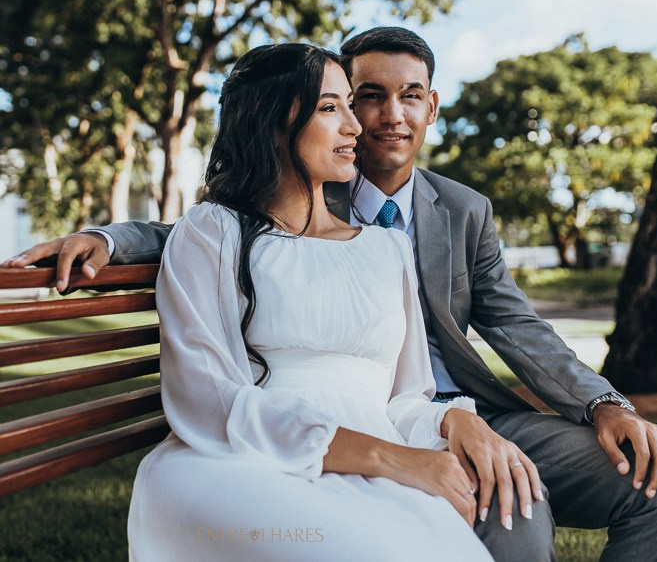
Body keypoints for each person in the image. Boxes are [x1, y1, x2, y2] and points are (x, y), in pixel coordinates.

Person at [2, 28, 657, 561]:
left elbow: (522, 330)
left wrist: (603, 404)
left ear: (431, 106)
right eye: (358, 99)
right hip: (331, 435)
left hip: (449, 418)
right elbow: (207, 232)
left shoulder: (458, 214)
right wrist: (107, 236)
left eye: (407, 96)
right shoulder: (263, 208)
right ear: (299, 113)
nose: (379, 118)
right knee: (512, 518)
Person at [130, 42, 497, 559]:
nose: (355, 126)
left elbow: (405, 397)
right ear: (275, 121)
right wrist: (390, 459)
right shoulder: (214, 231)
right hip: (240, 460)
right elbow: (208, 400)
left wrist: (449, 422)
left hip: (378, 461)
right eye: (331, 107)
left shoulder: (387, 248)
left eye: (350, 104)